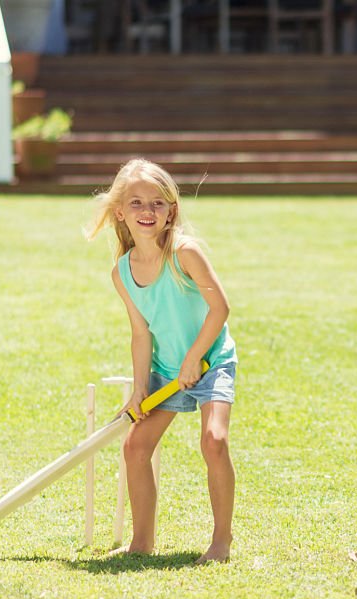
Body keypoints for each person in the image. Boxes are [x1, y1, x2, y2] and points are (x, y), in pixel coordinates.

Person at [88, 159, 238, 565]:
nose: (147, 211)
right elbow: (141, 333)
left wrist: (195, 359)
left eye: (157, 203)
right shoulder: (122, 271)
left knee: (215, 440)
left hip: (211, 362)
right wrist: (140, 388)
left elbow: (219, 309)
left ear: (171, 209)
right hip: (168, 370)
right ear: (120, 212)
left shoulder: (184, 252)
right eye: (136, 203)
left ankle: (221, 542)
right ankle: (142, 542)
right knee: (135, 445)